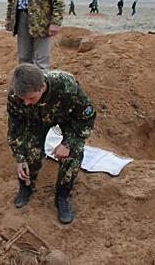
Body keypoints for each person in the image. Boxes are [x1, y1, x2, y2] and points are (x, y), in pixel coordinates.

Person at [7, 63, 96, 224]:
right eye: (23, 99)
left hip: (67, 118)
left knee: (74, 152)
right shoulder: (16, 96)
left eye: (30, 98)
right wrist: (20, 158)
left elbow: (86, 117)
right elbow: (16, 129)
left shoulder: (66, 85)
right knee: (29, 152)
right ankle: (26, 186)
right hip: (35, 120)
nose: (26, 103)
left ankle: (62, 195)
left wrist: (67, 143)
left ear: (42, 87)